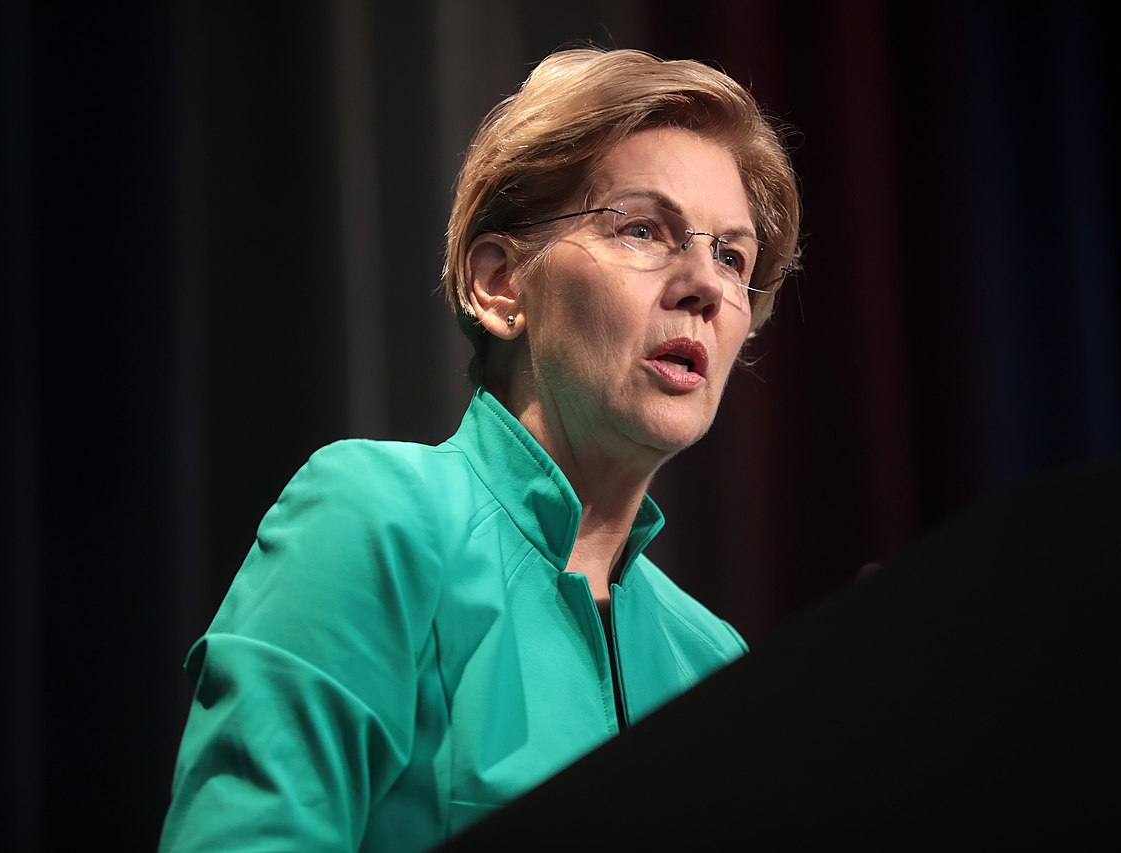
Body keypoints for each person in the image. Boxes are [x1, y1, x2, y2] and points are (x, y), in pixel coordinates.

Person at [159, 46, 801, 852]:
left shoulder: (713, 662)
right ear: (500, 284)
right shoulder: (378, 518)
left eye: (733, 257)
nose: (706, 285)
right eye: (643, 227)